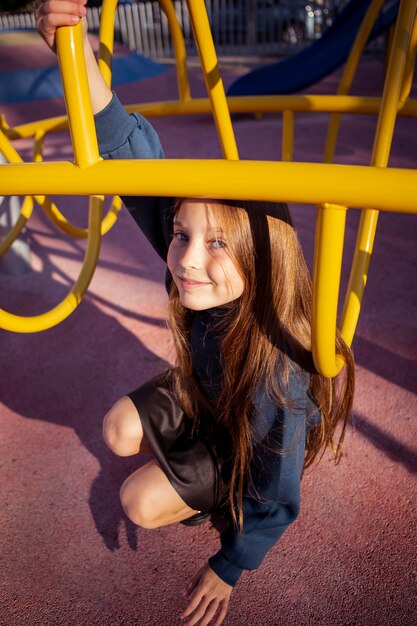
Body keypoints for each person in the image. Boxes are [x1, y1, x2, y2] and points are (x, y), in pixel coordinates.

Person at [36, 3, 355, 625]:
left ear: (261, 260)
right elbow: (133, 156)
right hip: (207, 395)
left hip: (244, 436)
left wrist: (232, 564)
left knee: (137, 501)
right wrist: (73, 52)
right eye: (181, 234)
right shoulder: (201, 269)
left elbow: (279, 489)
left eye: (215, 243)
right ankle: (195, 448)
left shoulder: (277, 371)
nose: (185, 260)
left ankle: (213, 482)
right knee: (116, 431)